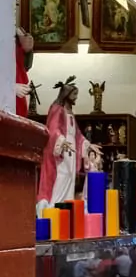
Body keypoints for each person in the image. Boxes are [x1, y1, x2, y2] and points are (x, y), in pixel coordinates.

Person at [37, 78, 102, 214]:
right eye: (74, 94)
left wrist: (88, 145)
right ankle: (54, 208)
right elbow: (53, 128)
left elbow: (77, 134)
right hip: (61, 150)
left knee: (70, 178)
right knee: (61, 176)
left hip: (72, 150)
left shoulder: (70, 112)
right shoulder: (57, 109)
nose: (76, 97)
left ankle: (66, 209)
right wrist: (61, 140)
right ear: (66, 94)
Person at [14, 0, 34, 117]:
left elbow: (24, 66)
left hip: (17, 92)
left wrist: (28, 50)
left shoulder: (16, 30)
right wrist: (7, 88)